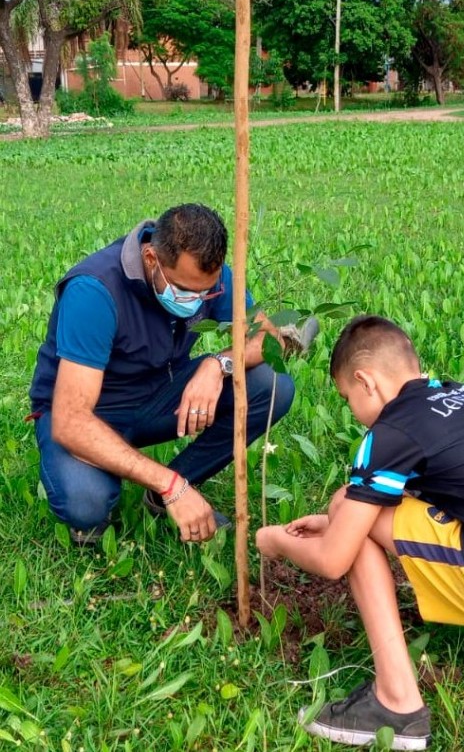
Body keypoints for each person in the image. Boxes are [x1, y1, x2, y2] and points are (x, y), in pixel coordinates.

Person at [256, 315, 464, 750]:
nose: (353, 413)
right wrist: (334, 527)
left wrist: (276, 542)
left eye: (346, 398)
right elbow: (455, 493)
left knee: (345, 504)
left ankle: (396, 704)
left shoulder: (392, 430)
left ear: (366, 381)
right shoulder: (460, 398)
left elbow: (333, 559)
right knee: (351, 517)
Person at [29, 203, 316, 546]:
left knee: (271, 384)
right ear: (151, 259)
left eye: (204, 292)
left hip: (159, 396)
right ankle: (168, 490)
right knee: (86, 503)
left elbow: (268, 340)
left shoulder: (212, 277)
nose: (196, 300)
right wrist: (170, 483)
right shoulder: (94, 291)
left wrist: (217, 364)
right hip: (89, 412)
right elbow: (70, 421)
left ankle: (163, 498)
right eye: (184, 289)